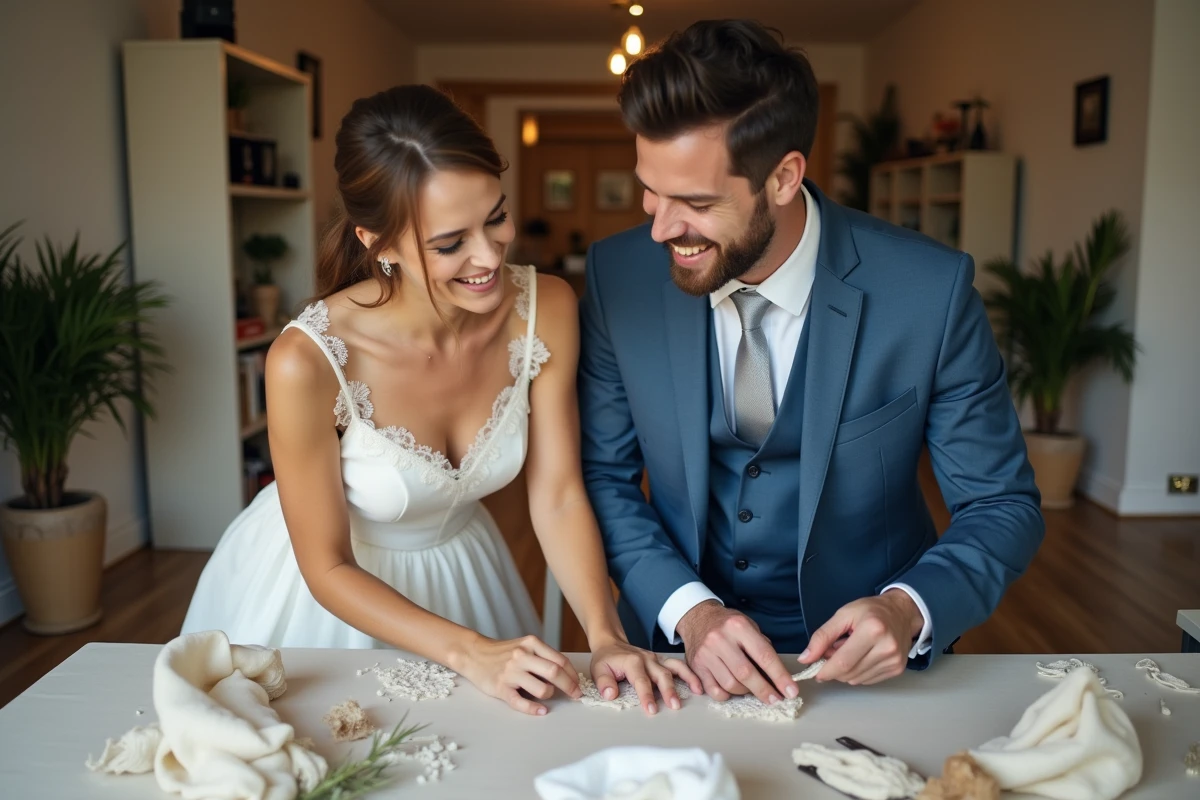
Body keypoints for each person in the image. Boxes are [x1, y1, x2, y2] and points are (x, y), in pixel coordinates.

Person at [183, 85, 698, 717]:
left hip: (463, 569)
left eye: (496, 217)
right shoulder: (306, 361)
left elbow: (558, 492)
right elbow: (326, 567)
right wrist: (470, 652)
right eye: (450, 243)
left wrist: (605, 635)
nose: (489, 257)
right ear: (378, 243)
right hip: (326, 594)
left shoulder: (548, 308)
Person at [578, 20, 1045, 706]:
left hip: (868, 664)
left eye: (697, 203)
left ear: (784, 177)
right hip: (674, 656)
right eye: (651, 190)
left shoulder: (929, 294)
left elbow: (1001, 503)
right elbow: (604, 476)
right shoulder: (618, 277)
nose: (659, 228)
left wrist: (907, 610)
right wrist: (691, 613)